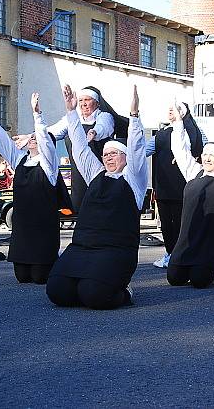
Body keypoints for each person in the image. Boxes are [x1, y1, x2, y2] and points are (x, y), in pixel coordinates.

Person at [46, 84, 147, 310]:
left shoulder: (134, 180)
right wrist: (71, 112)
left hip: (115, 250)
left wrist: (134, 115)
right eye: (105, 154)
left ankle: (125, 292)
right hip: (83, 247)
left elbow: (137, 148)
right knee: (58, 292)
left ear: (126, 157)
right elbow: (80, 148)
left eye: (114, 154)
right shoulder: (96, 174)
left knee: (95, 296)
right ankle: (87, 282)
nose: (109, 157)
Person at [0, 92, 66, 285]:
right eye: (32, 137)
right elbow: (0, 139)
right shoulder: (20, 159)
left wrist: (37, 115)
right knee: (23, 277)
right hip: (24, 226)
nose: (34, 138)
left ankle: (57, 260)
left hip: (43, 226)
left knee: (40, 277)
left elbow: (45, 141)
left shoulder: (49, 165)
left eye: (38, 137)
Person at [165, 106, 214, 288]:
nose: (207, 158)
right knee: (174, 279)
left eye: (212, 156)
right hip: (188, 239)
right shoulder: (194, 173)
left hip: (213, 240)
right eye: (205, 154)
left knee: (200, 281)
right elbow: (180, 149)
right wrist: (177, 123)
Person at [22, 86, 128, 213]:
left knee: (101, 202)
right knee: (80, 206)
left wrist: (94, 132)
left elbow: (104, 127)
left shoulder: (104, 116)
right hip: (77, 171)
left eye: (87, 100)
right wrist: (31, 136)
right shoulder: (72, 118)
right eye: (81, 100)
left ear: (97, 103)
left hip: (97, 169)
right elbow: (52, 132)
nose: (83, 104)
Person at [146, 101, 204, 269]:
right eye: (170, 109)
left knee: (180, 222)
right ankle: (170, 253)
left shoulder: (193, 131)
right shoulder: (161, 133)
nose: (171, 111)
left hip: (183, 185)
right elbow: (145, 150)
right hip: (163, 185)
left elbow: (204, 149)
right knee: (165, 223)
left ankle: (181, 255)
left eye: (176, 109)